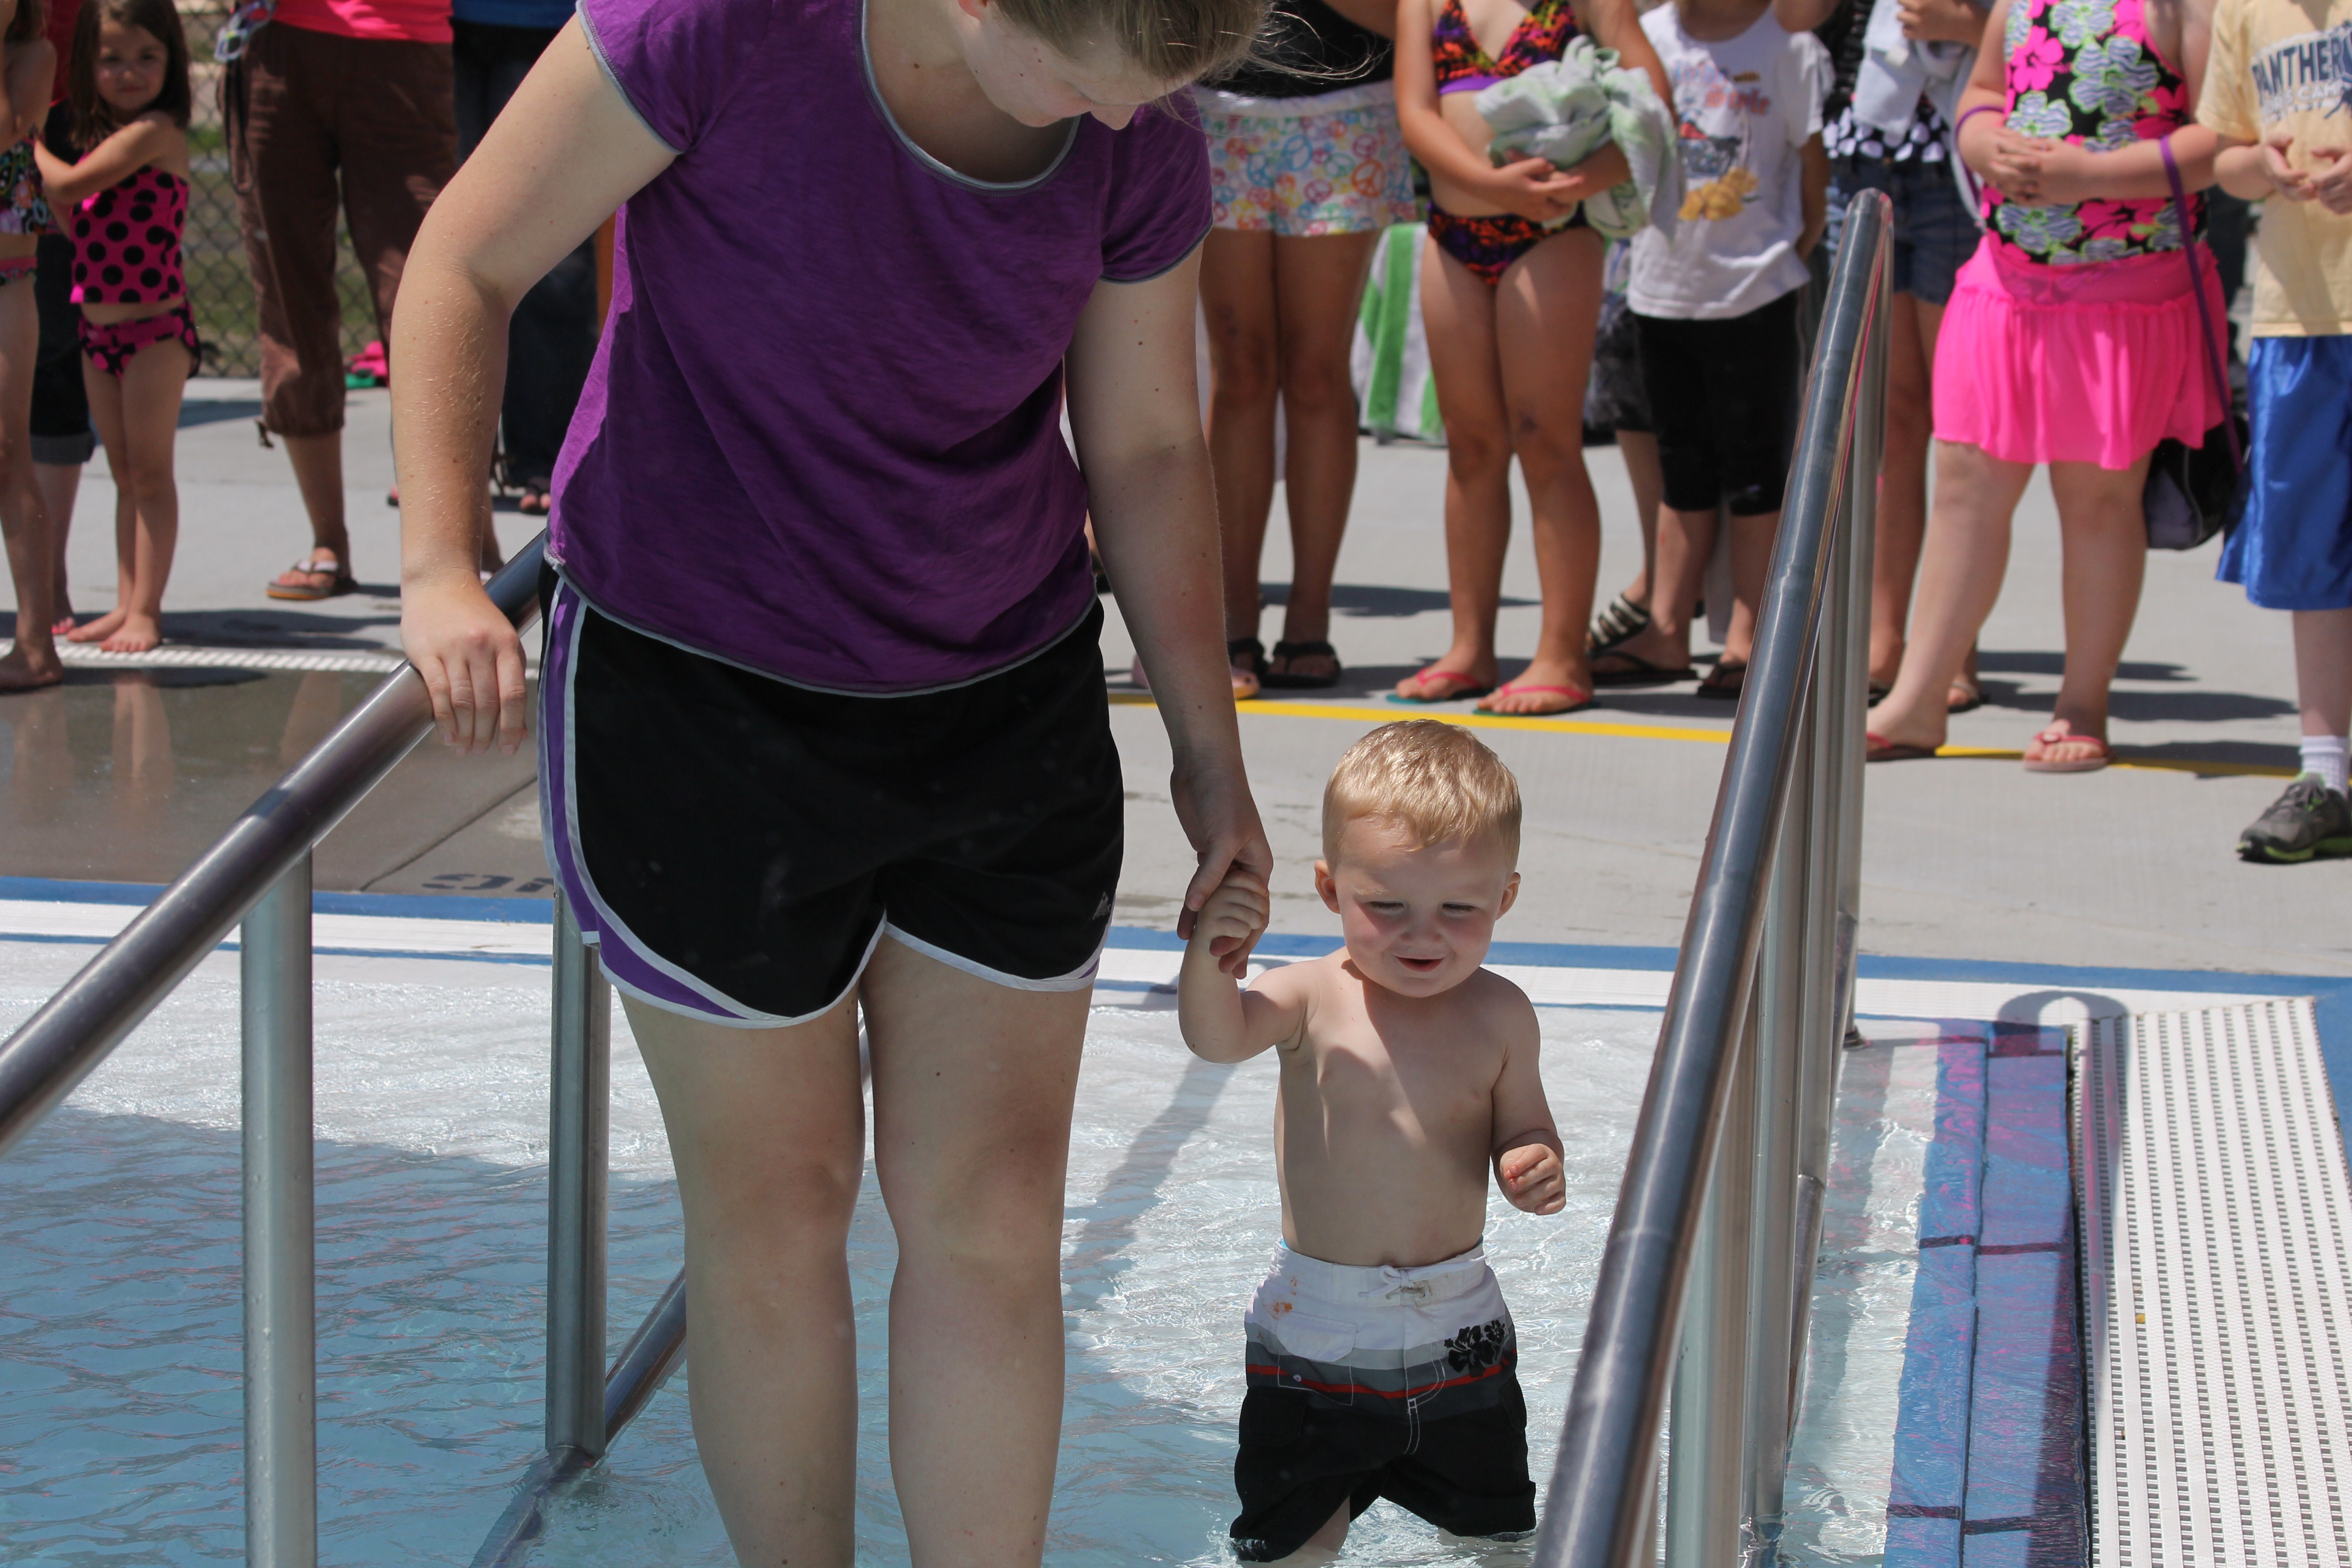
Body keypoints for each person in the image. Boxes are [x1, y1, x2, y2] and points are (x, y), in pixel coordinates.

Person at [391, 0, 1276, 1556]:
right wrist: (440, 566)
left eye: (1165, 96)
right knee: (777, 1220)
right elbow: (462, 262)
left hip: (1000, 697)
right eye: (1096, 81)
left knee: (993, 1225)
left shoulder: (1147, 134)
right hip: (697, 688)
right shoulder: (717, 26)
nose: (1128, 126)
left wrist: (1211, 757)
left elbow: (1140, 445)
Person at [1176, 719, 1564, 1563]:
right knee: (1289, 1540)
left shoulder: (1499, 1014)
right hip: (1317, 1327)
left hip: (1458, 1326)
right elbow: (1216, 1039)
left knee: (1494, 1532)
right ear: (1328, 888)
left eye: (1456, 909)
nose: (1421, 934)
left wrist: (1529, 1160)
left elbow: (1523, 1120)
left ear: (1503, 897)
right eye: (1384, 906)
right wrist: (1213, 957)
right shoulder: (1310, 995)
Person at [1862, 0, 2219, 770]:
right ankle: (1919, 696)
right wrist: (1981, 139)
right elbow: (1982, 88)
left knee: (2094, 498)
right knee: (1963, 487)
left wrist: (2085, 175)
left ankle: (2081, 701)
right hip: (2003, 281)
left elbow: (2219, 136)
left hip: (2123, 294)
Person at [1389, 0, 1667, 714]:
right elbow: (1415, 114)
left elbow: (1654, 100)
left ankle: (1562, 655)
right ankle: (1470, 645)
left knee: (1547, 441)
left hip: (1553, 235)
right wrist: (1489, 186)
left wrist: (1582, 181)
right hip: (1454, 232)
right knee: (1472, 447)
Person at [1587, 0, 1830, 698]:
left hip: (1754, 291)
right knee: (1681, 465)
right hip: (1659, 287)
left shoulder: (1788, 47)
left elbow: (1813, 173)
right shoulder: (1649, 37)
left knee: (1755, 472)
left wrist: (1790, 258)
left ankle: (1749, 635)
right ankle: (1666, 625)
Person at [1200, 0, 1420, 698]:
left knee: (1318, 372)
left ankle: (1310, 613)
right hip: (1214, 102)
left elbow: (1420, 19)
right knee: (1239, 368)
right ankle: (1232, 614)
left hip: (1347, 108)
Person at [1778, 0, 1988, 710]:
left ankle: (1949, 647)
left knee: (1966, 427)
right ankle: (1886, 633)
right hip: (1864, 154)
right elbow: (1791, 15)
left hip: (1964, 163)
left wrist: (1970, 27)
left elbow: (2051, 29)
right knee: (1889, 419)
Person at [226, 0, 463, 601]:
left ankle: (459, 551)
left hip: (401, 42)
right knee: (288, 298)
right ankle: (328, 542)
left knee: (428, 296)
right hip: (276, 38)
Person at [2201, 0, 2352, 859]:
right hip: (2298, 316)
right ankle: (2322, 770)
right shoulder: (2246, 9)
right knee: (2308, 549)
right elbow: (2222, 150)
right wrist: (2255, 164)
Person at [32, 0, 187, 656]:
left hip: (154, 332)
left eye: (147, 57)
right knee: (125, 476)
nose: (129, 73)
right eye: (112, 59)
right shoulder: (99, 137)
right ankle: (126, 604)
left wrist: (20, 138)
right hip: (100, 334)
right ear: (87, 65)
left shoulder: (158, 130)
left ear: (171, 63)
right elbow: (75, 221)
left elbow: (64, 187)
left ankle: (146, 610)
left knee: (151, 475)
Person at [451, 0, 594, 516]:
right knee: (446, 248)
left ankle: (546, 456)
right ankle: (453, 465)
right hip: (437, 30)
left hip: (552, 28)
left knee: (555, 254)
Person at [0, 0, 55, 690]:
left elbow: (7, 130)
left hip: (7, 281)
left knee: (10, 457)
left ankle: (36, 642)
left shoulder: (31, 59)